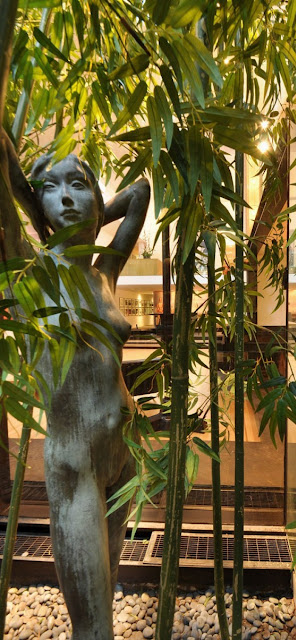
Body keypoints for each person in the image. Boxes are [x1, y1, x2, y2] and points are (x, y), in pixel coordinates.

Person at [2, 129, 150, 640]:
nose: (66, 196)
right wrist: (29, 203)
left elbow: (140, 194)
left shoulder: (104, 273)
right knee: (94, 627)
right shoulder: (31, 274)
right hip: (75, 470)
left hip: (121, 460)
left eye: (79, 185)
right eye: (50, 188)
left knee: (104, 595)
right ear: (36, 208)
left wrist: (88, 218)